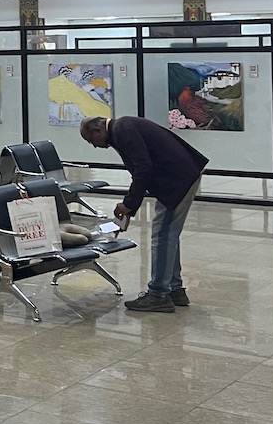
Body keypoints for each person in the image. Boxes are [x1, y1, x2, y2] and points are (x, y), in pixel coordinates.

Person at [79, 115, 208, 312]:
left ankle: (158, 294)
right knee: (168, 235)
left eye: (91, 141)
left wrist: (128, 204)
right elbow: (143, 168)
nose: (95, 146)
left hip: (178, 180)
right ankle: (174, 289)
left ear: (98, 131)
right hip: (182, 175)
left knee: (163, 235)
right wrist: (129, 210)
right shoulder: (123, 127)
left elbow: (143, 168)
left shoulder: (122, 130)